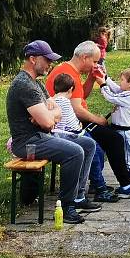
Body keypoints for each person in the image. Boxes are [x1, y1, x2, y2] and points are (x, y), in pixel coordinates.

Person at [46, 41, 130, 199]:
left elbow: (81, 96)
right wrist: (98, 120)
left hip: (74, 120)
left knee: (112, 138)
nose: (95, 65)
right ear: (84, 57)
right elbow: (77, 110)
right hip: (70, 123)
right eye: (94, 61)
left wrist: (92, 79)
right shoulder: (69, 74)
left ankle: (121, 180)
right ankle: (124, 183)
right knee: (114, 139)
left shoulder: (70, 70)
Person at [6, 41, 87, 224]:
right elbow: (48, 122)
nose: (51, 64)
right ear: (33, 59)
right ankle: (67, 207)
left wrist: (49, 115)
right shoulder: (24, 85)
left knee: (87, 144)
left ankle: (79, 195)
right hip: (28, 143)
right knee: (75, 153)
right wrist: (48, 117)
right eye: (47, 59)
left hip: (41, 135)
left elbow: (56, 110)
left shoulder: (37, 83)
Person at [50, 73, 102, 212]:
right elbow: (73, 126)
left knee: (88, 144)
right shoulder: (65, 102)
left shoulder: (52, 99)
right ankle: (79, 194)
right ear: (71, 89)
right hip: (65, 137)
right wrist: (80, 127)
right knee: (89, 145)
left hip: (55, 136)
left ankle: (79, 193)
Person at [97, 69, 130, 188]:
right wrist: (105, 78)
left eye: (122, 80)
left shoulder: (129, 98)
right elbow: (117, 89)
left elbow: (111, 96)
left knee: (127, 159)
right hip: (125, 131)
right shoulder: (129, 93)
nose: (120, 82)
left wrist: (102, 85)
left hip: (124, 132)